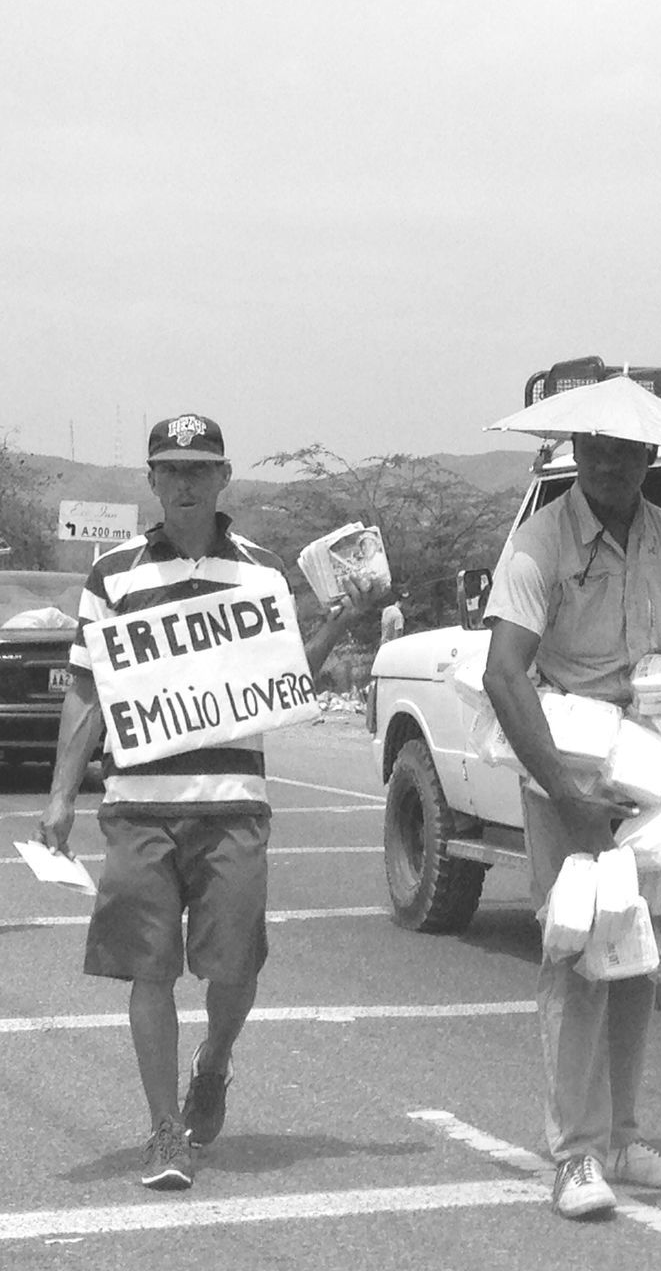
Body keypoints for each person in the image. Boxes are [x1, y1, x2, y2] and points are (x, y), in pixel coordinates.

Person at [38, 414, 374, 1192]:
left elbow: (286, 675)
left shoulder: (261, 571)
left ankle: (214, 1061)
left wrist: (342, 622)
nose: (184, 482)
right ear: (151, 481)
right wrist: (59, 794)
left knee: (234, 967)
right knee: (148, 971)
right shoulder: (112, 576)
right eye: (169, 469)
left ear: (225, 478)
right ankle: (164, 1133)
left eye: (199, 468)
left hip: (233, 802)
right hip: (138, 805)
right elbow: (88, 688)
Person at [483, 431, 661, 1220]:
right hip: (570, 763)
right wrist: (562, 793)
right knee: (579, 947)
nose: (614, 468)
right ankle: (574, 1153)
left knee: (636, 947)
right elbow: (503, 672)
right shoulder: (539, 541)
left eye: (631, 455)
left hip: (646, 763)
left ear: (652, 459)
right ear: (577, 452)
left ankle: (620, 1138)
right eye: (599, 453)